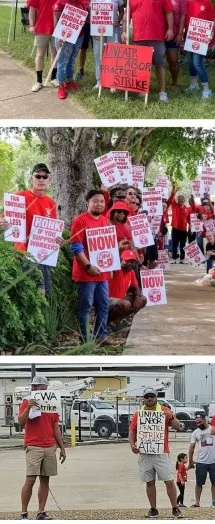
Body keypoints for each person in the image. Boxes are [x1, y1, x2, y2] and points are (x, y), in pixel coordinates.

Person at [0, 163, 57, 296]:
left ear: (48, 179)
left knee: (46, 294)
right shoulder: (20, 196)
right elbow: (4, 219)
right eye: (38, 176)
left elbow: (52, 231)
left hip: (43, 254)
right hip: (24, 252)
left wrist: (57, 239)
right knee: (37, 292)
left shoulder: (51, 203)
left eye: (45, 176)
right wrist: (3, 223)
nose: (41, 179)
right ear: (32, 178)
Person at [18, 375, 66, 521]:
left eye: (37, 386)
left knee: (45, 480)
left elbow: (55, 427)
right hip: (33, 445)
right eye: (33, 386)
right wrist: (28, 408)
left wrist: (62, 447)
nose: (34, 388)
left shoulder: (51, 403)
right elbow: (21, 422)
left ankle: (41, 512)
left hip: (49, 446)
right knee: (30, 479)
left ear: (45, 388)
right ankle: (24, 513)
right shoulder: (27, 401)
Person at [129, 388, 182, 519]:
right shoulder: (139, 413)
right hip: (145, 452)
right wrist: (132, 444)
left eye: (152, 396)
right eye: (147, 396)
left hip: (161, 452)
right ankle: (153, 509)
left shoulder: (164, 411)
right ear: (143, 398)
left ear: (156, 397)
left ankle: (175, 508)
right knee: (149, 482)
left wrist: (172, 417)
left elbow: (178, 426)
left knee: (169, 481)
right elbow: (132, 430)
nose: (149, 398)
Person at [124, 0, 175, 102]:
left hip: (157, 36)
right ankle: (142, 89)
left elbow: (169, 12)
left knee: (159, 64)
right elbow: (127, 15)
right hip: (139, 37)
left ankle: (162, 92)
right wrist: (124, 30)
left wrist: (170, 29)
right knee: (142, 65)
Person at [69, 189, 113, 343]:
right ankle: (85, 338)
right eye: (95, 201)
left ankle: (101, 336)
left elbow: (108, 247)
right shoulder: (80, 220)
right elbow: (75, 247)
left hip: (103, 273)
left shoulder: (105, 221)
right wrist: (88, 266)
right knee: (85, 306)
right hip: (86, 273)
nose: (99, 204)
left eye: (102, 201)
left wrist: (111, 265)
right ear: (88, 202)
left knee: (103, 305)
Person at [27, 0, 64, 92]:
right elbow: (32, 9)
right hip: (42, 27)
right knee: (40, 54)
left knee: (55, 54)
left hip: (57, 29)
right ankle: (38, 81)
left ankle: (53, 78)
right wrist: (32, 25)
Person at [52, 0, 89, 101]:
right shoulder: (61, 2)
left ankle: (69, 80)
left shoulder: (81, 3)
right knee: (63, 60)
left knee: (72, 59)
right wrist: (59, 36)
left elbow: (83, 19)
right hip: (64, 37)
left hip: (79, 36)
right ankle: (61, 84)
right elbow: (56, 20)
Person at [90, 0, 125, 89]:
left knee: (113, 55)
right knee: (98, 54)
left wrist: (118, 20)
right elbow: (92, 14)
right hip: (98, 30)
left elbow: (121, 11)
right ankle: (99, 80)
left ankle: (112, 81)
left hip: (113, 29)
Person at [183, 0, 214, 98]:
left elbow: (211, 19)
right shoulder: (188, 2)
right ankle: (194, 84)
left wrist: (211, 34)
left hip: (201, 38)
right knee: (190, 62)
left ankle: (206, 89)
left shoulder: (207, 2)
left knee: (197, 63)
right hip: (189, 37)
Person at [158, 0, 187, 91]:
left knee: (173, 61)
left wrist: (180, 33)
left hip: (173, 34)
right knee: (158, 61)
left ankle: (174, 83)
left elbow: (182, 17)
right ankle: (161, 85)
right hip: (157, 34)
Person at [108, 248, 147, 327]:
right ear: (121, 260)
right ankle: (110, 323)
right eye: (127, 261)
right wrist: (118, 250)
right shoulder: (116, 269)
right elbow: (113, 264)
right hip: (108, 300)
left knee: (142, 299)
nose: (130, 264)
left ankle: (120, 320)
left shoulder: (131, 272)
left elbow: (136, 288)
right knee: (126, 304)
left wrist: (137, 298)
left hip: (120, 300)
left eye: (132, 261)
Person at [188, 412, 215, 508]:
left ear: (204, 419)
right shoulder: (195, 433)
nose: (199, 424)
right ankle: (197, 502)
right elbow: (192, 447)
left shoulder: (213, 429)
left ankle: (214, 501)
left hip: (214, 460)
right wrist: (190, 460)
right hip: (201, 461)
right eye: (197, 423)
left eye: (200, 422)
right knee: (199, 483)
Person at [74, 0, 96, 84]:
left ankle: (101, 70)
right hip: (83, 22)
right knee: (83, 47)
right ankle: (81, 69)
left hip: (97, 22)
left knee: (98, 48)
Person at [167, 182, 192, 263]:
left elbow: (189, 220)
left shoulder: (187, 209)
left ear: (184, 200)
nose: (181, 200)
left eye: (182, 199)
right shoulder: (174, 206)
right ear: (177, 200)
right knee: (174, 245)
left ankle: (182, 259)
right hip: (175, 229)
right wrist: (174, 189)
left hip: (184, 230)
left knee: (183, 246)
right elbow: (171, 198)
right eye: (179, 199)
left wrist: (191, 229)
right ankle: (174, 259)